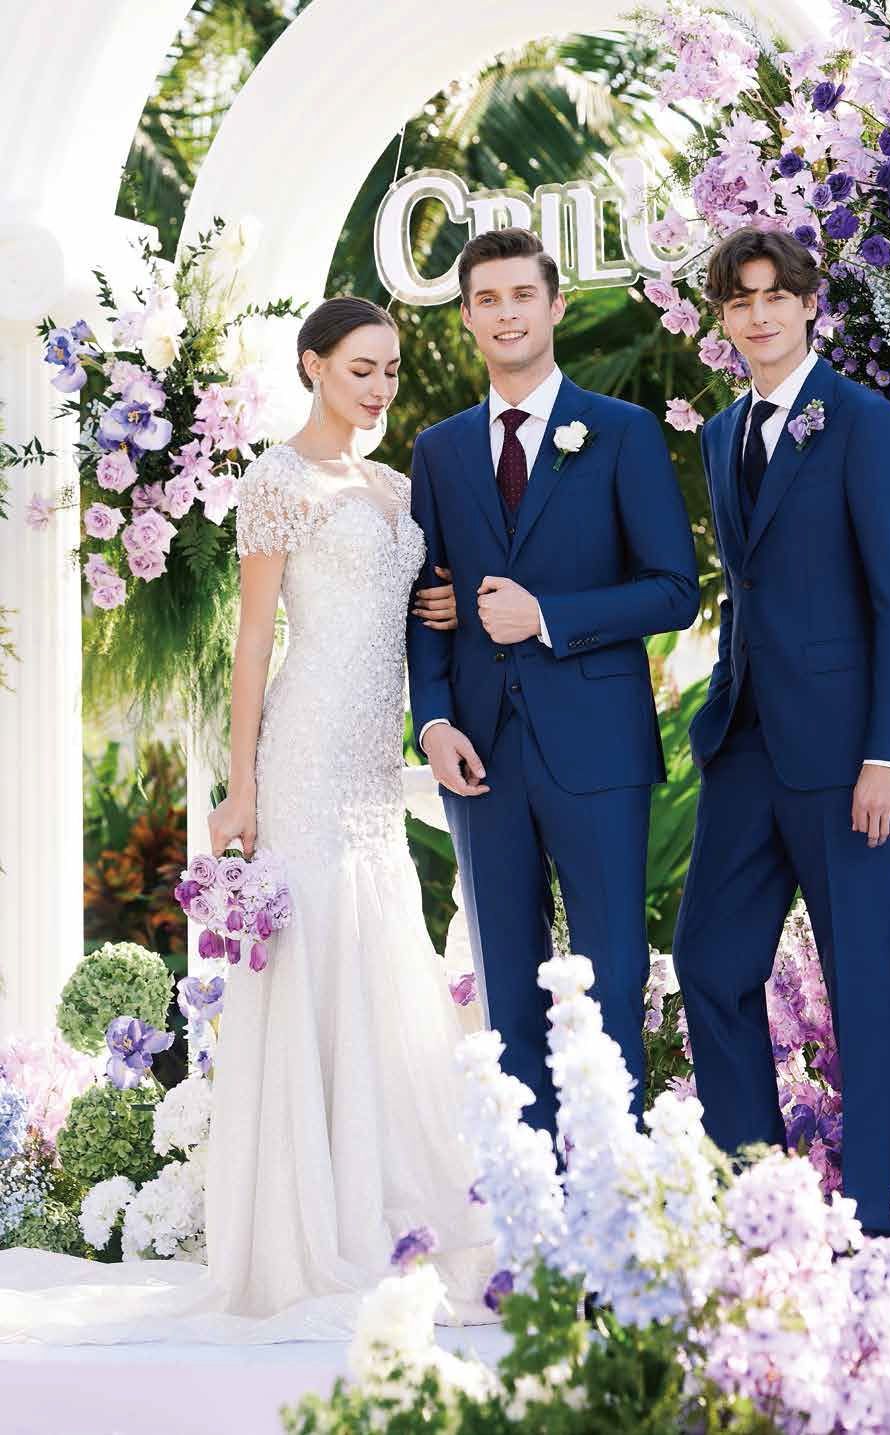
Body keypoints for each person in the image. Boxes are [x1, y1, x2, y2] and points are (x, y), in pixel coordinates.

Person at [0, 296, 492, 1342]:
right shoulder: (277, 481)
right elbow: (255, 640)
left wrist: (442, 608)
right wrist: (241, 785)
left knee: (377, 945)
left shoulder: (395, 487)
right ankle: (309, 1230)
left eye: (390, 369)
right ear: (313, 365)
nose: (380, 387)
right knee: (316, 949)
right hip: (305, 748)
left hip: (374, 757)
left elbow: (415, 607)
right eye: (360, 368)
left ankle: (385, 1210)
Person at [407, 227, 699, 1136]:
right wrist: (433, 721)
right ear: (466, 318)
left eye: (521, 296)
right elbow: (425, 602)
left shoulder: (621, 432)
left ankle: (616, 1185)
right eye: (486, 300)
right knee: (506, 983)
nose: (505, 314)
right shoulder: (438, 451)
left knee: (610, 977)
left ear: (555, 307)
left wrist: (546, 616)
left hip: (597, 750)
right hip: (479, 754)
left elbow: (674, 589)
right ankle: (534, 1194)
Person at [672, 227, 890, 1237]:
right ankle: (765, 1212)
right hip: (744, 746)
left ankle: (866, 1226)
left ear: (807, 303)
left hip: (844, 756)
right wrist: (720, 702)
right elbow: (747, 588)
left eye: (774, 295)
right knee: (708, 963)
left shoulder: (862, 422)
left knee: (860, 986)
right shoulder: (721, 433)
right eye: (739, 301)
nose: (758, 315)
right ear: (724, 317)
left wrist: (888, 753)